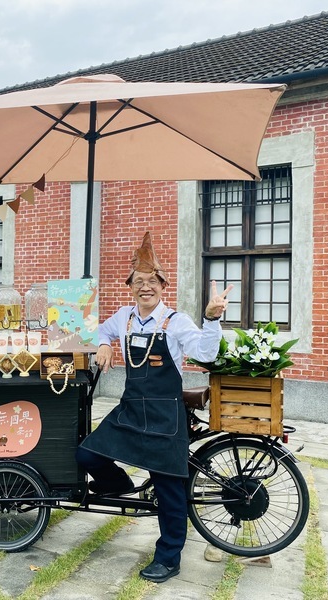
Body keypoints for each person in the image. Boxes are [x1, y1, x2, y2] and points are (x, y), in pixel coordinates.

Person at [75, 232, 231, 584]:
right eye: (138, 282)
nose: (145, 287)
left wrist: (211, 318)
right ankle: (120, 486)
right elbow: (99, 331)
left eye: (152, 281)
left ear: (163, 286)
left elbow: (205, 353)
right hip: (130, 410)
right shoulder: (124, 317)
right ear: (131, 287)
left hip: (165, 416)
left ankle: (169, 557)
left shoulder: (176, 321)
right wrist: (104, 344)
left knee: (169, 489)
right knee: (86, 454)